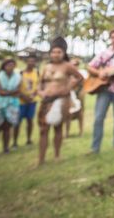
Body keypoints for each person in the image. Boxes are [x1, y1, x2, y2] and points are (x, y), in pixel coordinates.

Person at [37, 37, 83, 165]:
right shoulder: (46, 67)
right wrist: (41, 92)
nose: (55, 54)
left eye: (58, 52)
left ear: (63, 53)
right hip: (46, 101)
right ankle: (41, 158)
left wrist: (67, 88)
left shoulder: (67, 66)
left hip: (60, 101)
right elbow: (40, 83)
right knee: (43, 130)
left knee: (57, 128)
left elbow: (79, 77)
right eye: (53, 52)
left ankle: (57, 155)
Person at [0, 58, 21, 155]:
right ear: (4, 66)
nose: (10, 67)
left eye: (12, 65)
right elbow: (0, 92)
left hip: (12, 105)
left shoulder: (18, 77)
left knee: (7, 127)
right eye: (8, 65)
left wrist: (6, 92)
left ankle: (6, 148)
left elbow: (18, 90)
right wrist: (11, 93)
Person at [13, 54, 40, 147]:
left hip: (32, 101)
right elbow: (16, 87)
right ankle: (15, 142)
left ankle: (29, 140)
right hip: (21, 101)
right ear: (26, 62)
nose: (31, 63)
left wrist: (33, 95)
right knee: (17, 121)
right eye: (29, 61)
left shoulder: (37, 72)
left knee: (30, 120)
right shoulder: (20, 73)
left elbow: (39, 85)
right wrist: (23, 96)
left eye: (33, 61)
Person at [66, 58, 86, 138]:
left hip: (79, 94)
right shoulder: (68, 74)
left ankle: (81, 131)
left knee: (80, 113)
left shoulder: (82, 73)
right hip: (70, 95)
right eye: (73, 64)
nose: (75, 66)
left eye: (76, 64)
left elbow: (83, 81)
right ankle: (67, 133)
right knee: (68, 113)